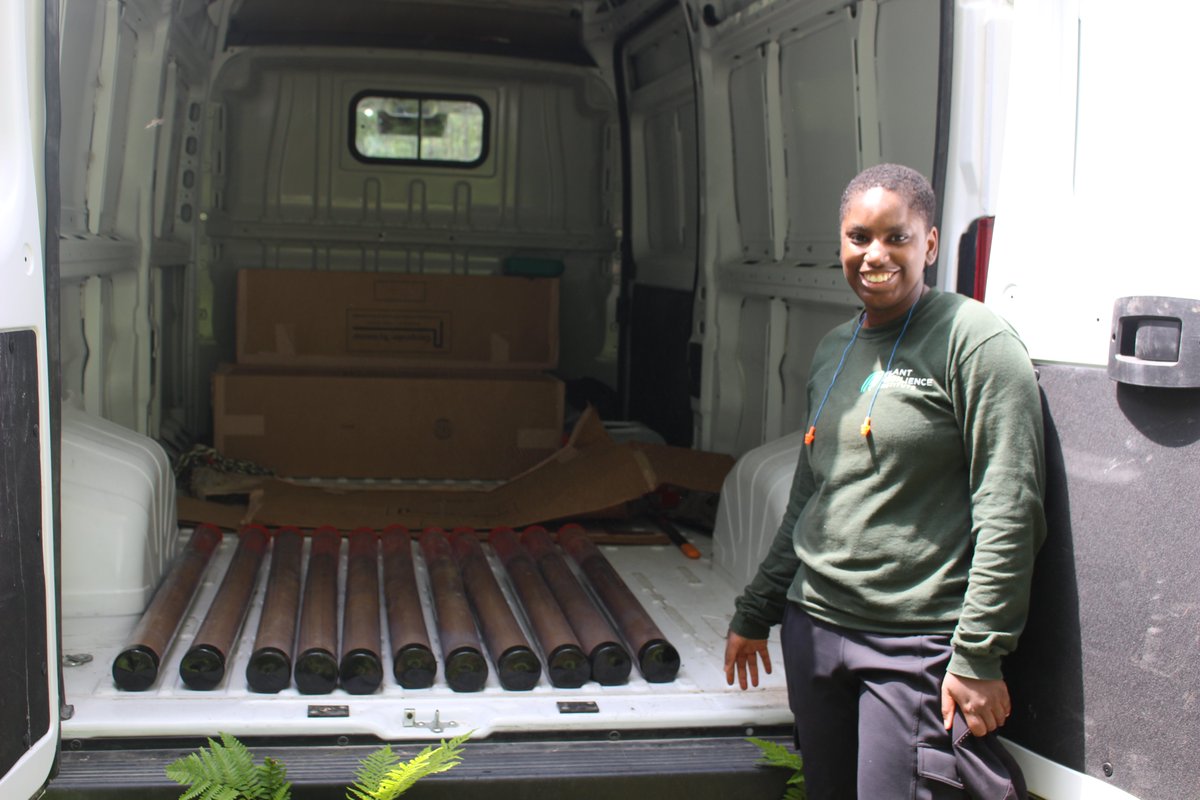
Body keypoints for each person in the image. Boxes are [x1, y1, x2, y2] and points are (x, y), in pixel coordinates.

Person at [723, 163, 1046, 799]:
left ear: (929, 243)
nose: (876, 255)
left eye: (896, 237)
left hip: (911, 642)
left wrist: (979, 655)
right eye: (858, 237)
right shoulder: (834, 347)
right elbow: (812, 492)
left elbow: (1009, 508)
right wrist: (757, 607)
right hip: (814, 629)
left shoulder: (974, 342)